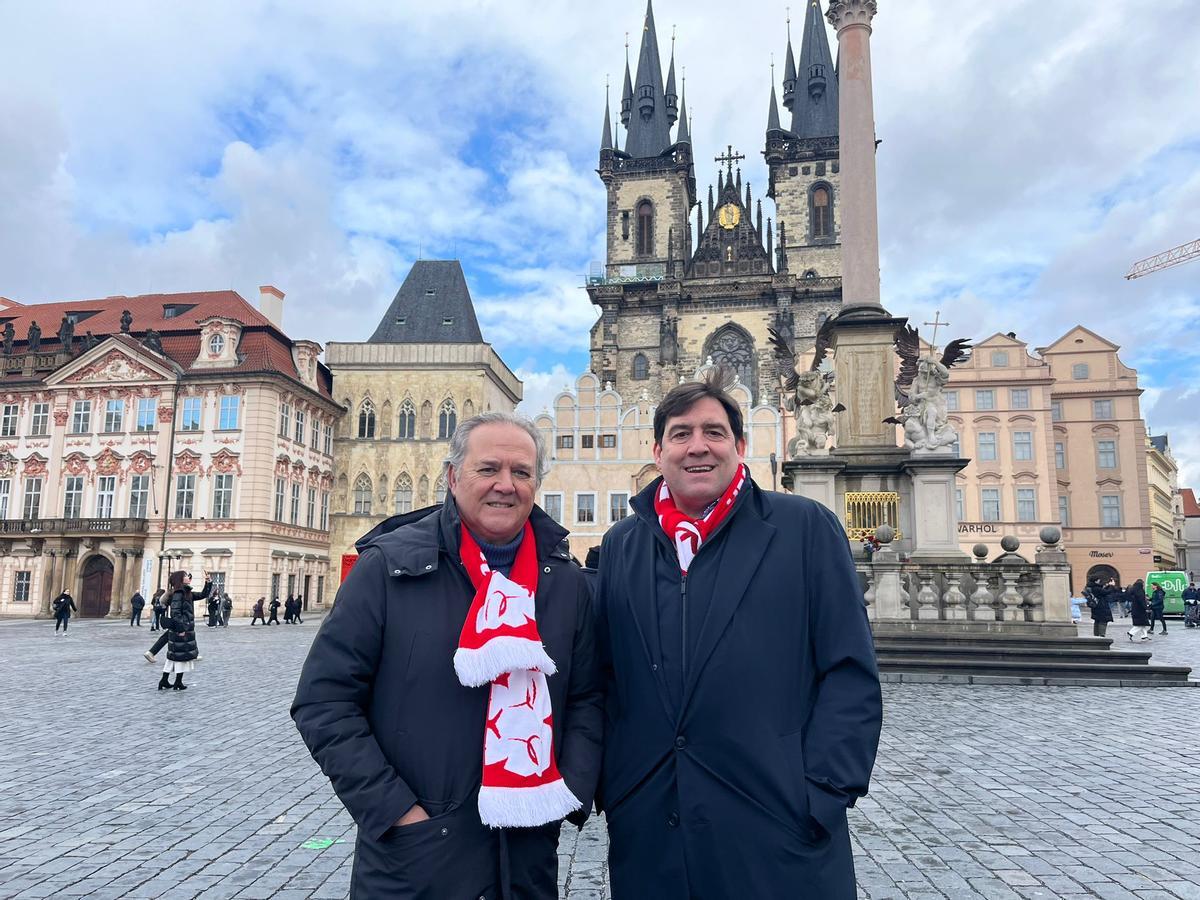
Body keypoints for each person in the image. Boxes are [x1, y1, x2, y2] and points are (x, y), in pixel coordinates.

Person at [594, 371, 882, 900]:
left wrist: (822, 793)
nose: (697, 446)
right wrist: (620, 788)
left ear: (740, 446)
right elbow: (607, 676)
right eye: (681, 434)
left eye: (714, 432)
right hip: (653, 827)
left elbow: (849, 670)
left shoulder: (804, 528)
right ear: (657, 451)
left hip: (776, 824)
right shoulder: (621, 544)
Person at [292, 411, 602, 899]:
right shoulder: (387, 567)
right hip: (415, 856)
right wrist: (396, 811)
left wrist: (567, 793)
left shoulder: (564, 581)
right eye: (488, 469)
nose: (505, 484)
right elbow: (324, 702)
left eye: (521, 472)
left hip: (526, 853)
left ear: (536, 484)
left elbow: (588, 698)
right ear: (453, 477)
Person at [157, 569, 211, 691]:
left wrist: (208, 582)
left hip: (183, 628)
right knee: (181, 656)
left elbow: (203, 595)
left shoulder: (187, 592)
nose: (188, 577)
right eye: (185, 576)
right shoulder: (178, 594)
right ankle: (177, 682)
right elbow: (176, 613)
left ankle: (165, 680)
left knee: (175, 656)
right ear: (180, 579)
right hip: (180, 629)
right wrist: (181, 628)